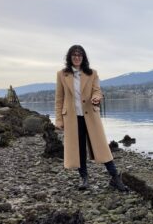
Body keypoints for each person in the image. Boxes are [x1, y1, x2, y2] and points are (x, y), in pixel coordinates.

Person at [54, 45, 128, 191]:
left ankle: (115, 177)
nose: (77, 57)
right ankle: (84, 179)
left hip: (91, 116)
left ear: (83, 57)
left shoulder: (92, 73)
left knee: (102, 147)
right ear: (69, 57)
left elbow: (97, 91)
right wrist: (58, 119)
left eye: (79, 55)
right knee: (79, 149)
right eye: (74, 55)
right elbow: (59, 98)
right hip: (72, 118)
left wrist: (95, 98)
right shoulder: (62, 74)